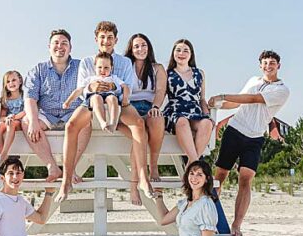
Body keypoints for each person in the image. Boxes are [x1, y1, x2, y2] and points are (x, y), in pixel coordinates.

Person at [57, 21, 152, 204]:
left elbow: (128, 87)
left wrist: (114, 87)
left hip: (117, 101)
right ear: (96, 39)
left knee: (139, 125)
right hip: (92, 101)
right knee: (71, 126)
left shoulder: (124, 62)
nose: (106, 41)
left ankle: (143, 178)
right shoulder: (86, 62)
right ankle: (66, 180)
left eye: (110, 38)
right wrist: (92, 86)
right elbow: (81, 88)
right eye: (102, 37)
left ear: (115, 40)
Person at [208, 50, 290, 236]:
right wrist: (216, 104)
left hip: (254, 137)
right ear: (260, 65)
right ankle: (208, 214)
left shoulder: (282, 89)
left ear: (279, 66)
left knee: (245, 178)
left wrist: (222, 95)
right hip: (235, 130)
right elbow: (237, 102)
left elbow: (253, 99)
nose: (268, 66)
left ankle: (236, 224)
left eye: (272, 63)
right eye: (265, 62)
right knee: (220, 174)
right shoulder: (253, 81)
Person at [21, 29, 93, 184]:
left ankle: (70, 169)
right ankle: (52, 167)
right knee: (27, 122)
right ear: (49, 46)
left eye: (64, 43)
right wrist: (33, 121)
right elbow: (30, 98)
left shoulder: (82, 67)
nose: (60, 46)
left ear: (70, 48)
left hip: (73, 113)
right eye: (56, 43)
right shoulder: (38, 70)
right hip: (47, 114)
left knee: (86, 121)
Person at [162, 39, 214, 166]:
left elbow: (202, 99)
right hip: (175, 111)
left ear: (191, 54)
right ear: (173, 53)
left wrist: (207, 114)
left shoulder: (199, 73)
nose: (182, 53)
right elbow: (161, 95)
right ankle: (195, 164)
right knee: (182, 122)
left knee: (207, 123)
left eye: (186, 50)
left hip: (195, 111)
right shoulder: (167, 74)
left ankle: (190, 165)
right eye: (178, 50)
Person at [124, 33, 167, 187]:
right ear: (131, 49)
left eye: (143, 45)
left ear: (148, 48)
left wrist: (156, 107)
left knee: (157, 119)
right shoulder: (125, 66)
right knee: (141, 132)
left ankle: (153, 166)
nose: (140, 49)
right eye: (136, 46)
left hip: (149, 106)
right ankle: (136, 182)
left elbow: (161, 90)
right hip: (129, 107)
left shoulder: (157, 68)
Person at [61, 51, 129, 131]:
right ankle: (103, 122)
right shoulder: (91, 79)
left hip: (109, 95)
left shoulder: (113, 78)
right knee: (96, 98)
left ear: (111, 68)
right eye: (100, 67)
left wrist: (125, 98)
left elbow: (125, 87)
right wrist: (68, 101)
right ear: (95, 67)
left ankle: (113, 123)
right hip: (94, 96)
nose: (102, 70)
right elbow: (79, 90)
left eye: (106, 67)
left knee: (113, 98)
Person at [0, 70, 26, 159]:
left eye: (14, 80)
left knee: (11, 124)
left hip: (22, 122)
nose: (11, 83)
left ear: (20, 81)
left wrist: (14, 117)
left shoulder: (25, 96)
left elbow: (27, 111)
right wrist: (8, 118)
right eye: (8, 81)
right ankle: (1, 154)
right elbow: (2, 117)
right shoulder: (5, 99)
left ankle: (4, 153)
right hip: (9, 121)